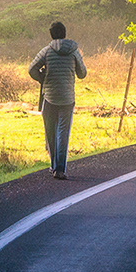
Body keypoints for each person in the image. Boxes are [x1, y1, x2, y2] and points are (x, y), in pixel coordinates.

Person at [28, 20, 87, 180]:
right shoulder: (74, 52)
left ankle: (53, 166)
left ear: (51, 35)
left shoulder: (46, 51)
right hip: (67, 97)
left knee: (51, 133)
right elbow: (82, 74)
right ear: (65, 33)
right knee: (63, 133)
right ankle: (60, 169)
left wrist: (43, 78)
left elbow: (31, 69)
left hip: (49, 97)